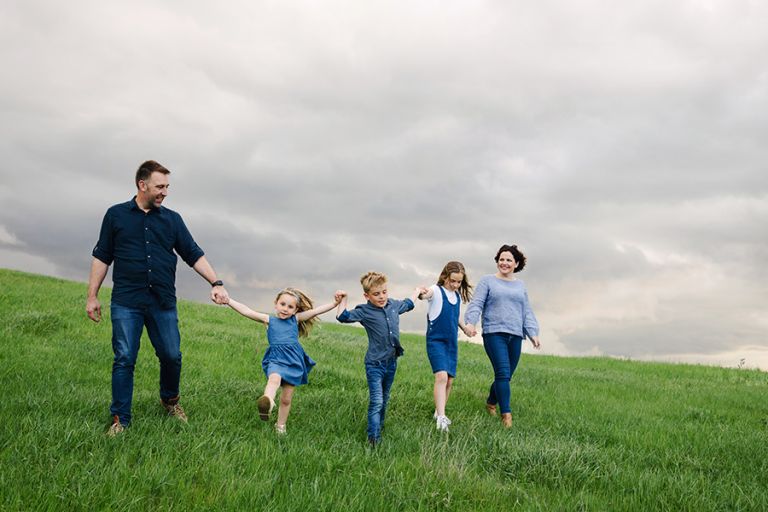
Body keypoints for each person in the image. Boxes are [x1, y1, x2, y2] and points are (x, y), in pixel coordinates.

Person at [86, 160, 229, 436]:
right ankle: (120, 419)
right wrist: (92, 296)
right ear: (142, 185)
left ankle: (170, 400)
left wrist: (216, 282)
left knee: (171, 355)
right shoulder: (115, 215)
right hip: (126, 301)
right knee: (124, 358)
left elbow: (193, 254)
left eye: (167, 186)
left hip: (162, 301)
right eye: (160, 186)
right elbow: (102, 256)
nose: (165, 192)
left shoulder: (172, 220)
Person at [222, 288, 342, 434]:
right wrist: (228, 301)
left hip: (293, 361)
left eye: (290, 307)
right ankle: (268, 402)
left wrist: (334, 303)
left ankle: (280, 426)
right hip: (276, 359)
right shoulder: (269, 320)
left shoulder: (295, 319)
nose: (285, 309)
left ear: (295, 310)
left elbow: (315, 311)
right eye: (282, 304)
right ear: (276, 304)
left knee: (286, 399)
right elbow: (247, 311)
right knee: (274, 380)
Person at [336, 272, 424, 446]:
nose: (382, 297)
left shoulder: (393, 305)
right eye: (376, 294)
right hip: (374, 365)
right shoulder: (364, 311)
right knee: (377, 401)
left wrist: (417, 290)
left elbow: (408, 303)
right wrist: (343, 299)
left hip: (391, 363)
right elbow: (342, 317)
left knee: (385, 398)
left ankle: (380, 427)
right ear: (367, 296)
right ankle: (373, 439)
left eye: (384, 292)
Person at [464, 244, 540, 428]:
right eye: (501, 259)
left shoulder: (520, 285)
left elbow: (526, 311)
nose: (504, 263)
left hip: (515, 335)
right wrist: (470, 323)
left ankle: (491, 402)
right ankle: (506, 416)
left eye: (508, 260)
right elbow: (477, 303)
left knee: (505, 376)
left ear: (516, 263)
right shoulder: (487, 281)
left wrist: (533, 333)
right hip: (494, 333)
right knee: (503, 373)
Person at [419, 261, 473, 432]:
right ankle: (442, 419)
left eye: (459, 282)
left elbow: (455, 317)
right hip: (436, 341)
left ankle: (438, 412)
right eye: (453, 281)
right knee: (441, 377)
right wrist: (422, 294)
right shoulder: (436, 290)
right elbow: (426, 295)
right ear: (445, 277)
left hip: (451, 343)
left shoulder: (457, 297)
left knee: (449, 380)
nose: (456, 285)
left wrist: (465, 328)